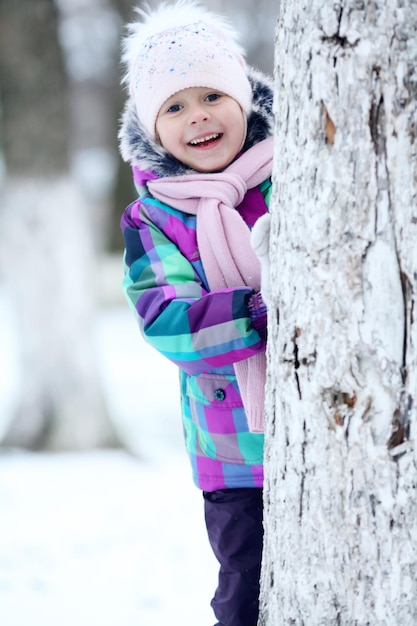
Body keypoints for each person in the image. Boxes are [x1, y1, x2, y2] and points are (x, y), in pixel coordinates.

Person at [118, 2, 274, 624]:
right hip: (233, 453)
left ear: (242, 98)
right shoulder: (154, 217)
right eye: (174, 107)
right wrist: (263, 311)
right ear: (153, 128)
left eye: (212, 94)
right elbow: (168, 320)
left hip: (329, 423)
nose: (199, 116)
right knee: (246, 589)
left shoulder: (296, 175)